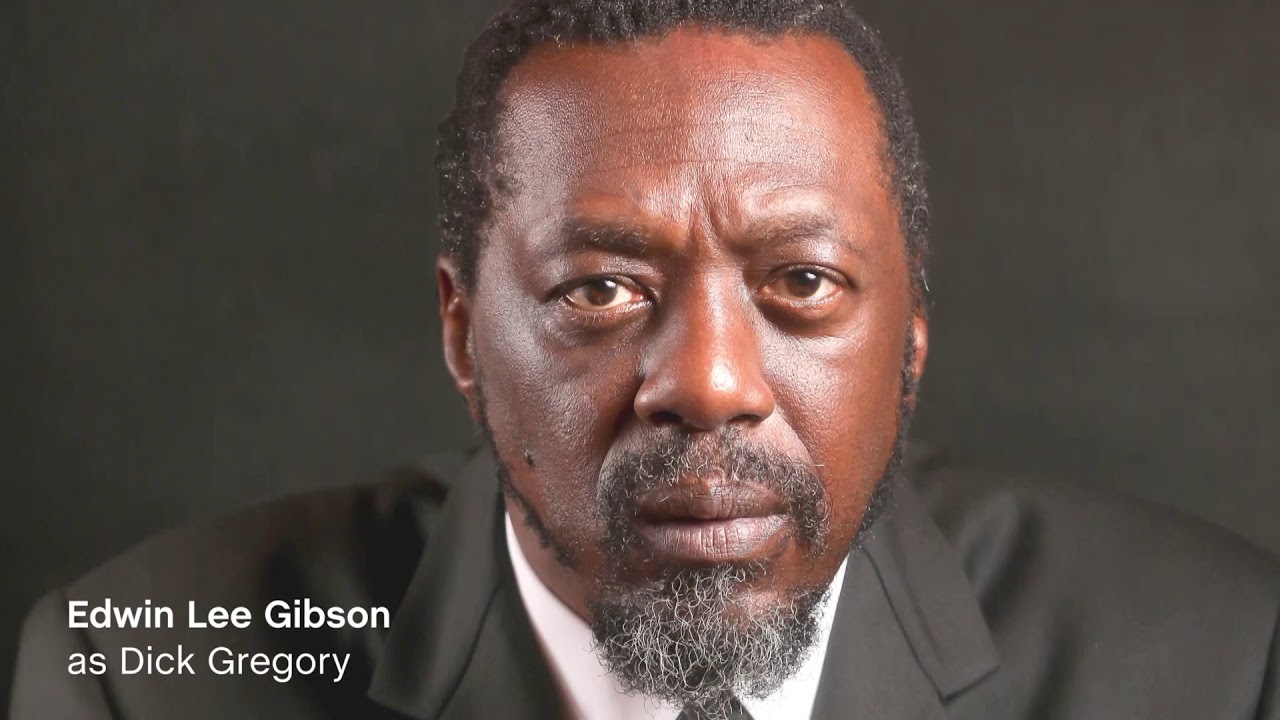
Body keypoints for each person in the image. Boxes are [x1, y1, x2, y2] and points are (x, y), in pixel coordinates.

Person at [10, 1, 1280, 718]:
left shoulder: (1220, 662)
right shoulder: (140, 674)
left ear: (910, 339)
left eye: (800, 283)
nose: (711, 382)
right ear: (462, 333)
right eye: (600, 290)